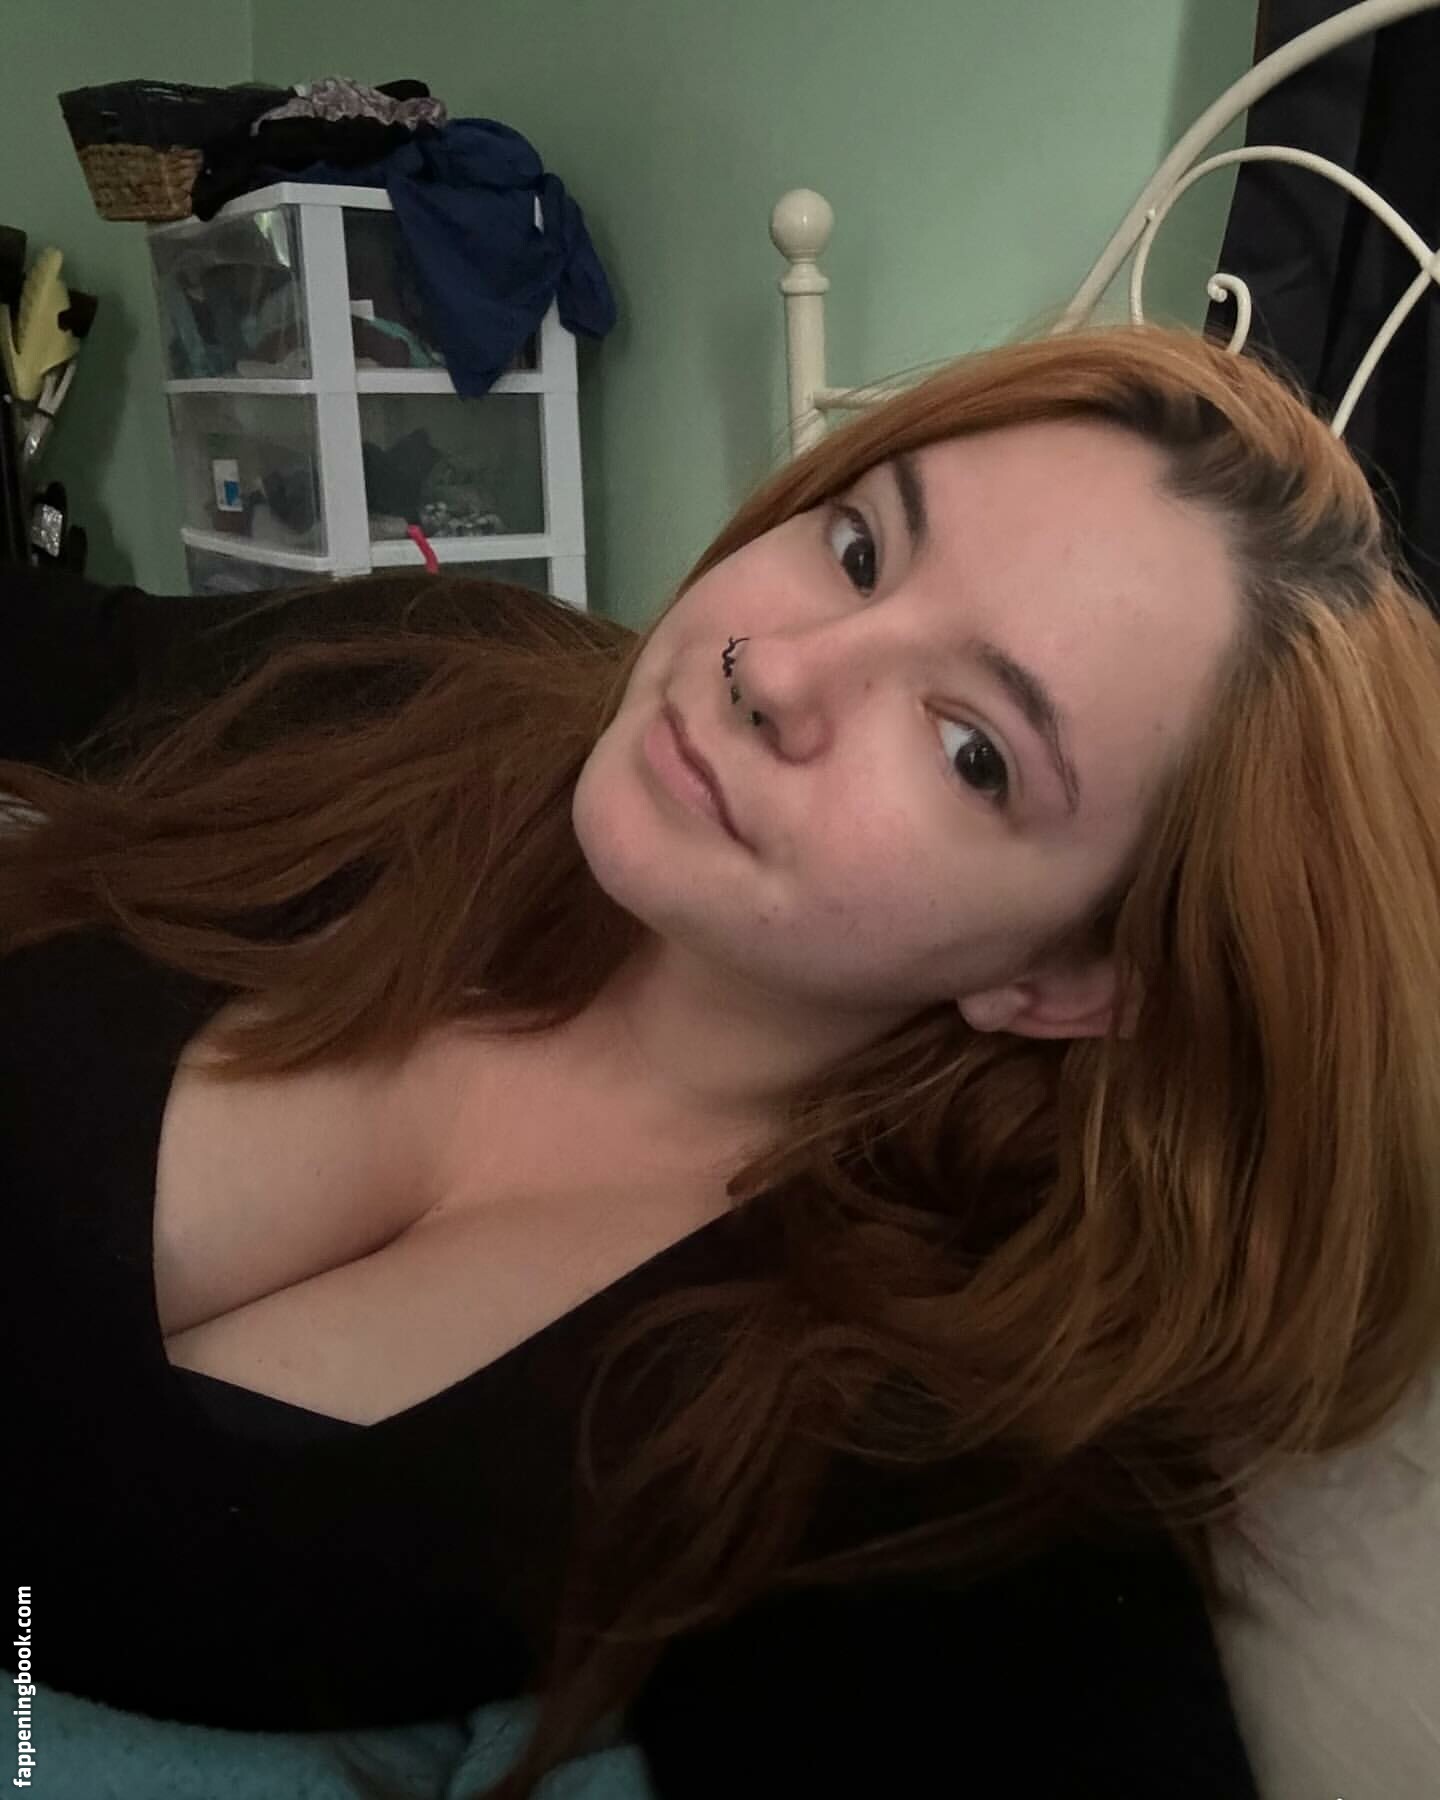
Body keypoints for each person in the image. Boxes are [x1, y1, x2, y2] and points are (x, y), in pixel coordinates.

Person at [3, 321, 1439, 1800]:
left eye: (973, 752)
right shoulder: (417, 678)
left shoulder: (911, 1461)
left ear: (1066, 982)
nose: (778, 671)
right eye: (860, 551)